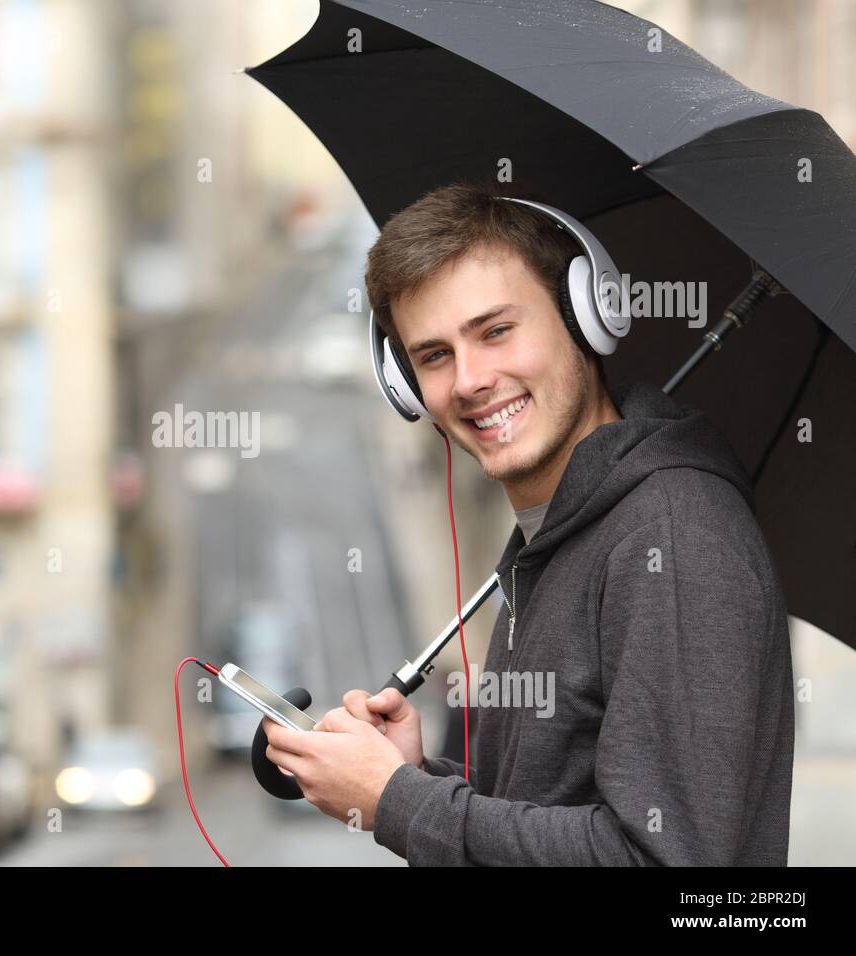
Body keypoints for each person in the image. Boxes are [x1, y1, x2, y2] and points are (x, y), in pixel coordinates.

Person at [261, 183, 795, 865]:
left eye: (496, 331)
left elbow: (667, 865)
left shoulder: (673, 540)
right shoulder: (554, 539)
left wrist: (400, 802)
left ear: (584, 317)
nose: (470, 380)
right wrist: (416, 780)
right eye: (434, 356)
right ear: (405, 385)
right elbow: (555, 810)